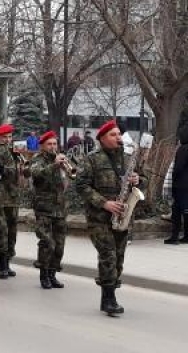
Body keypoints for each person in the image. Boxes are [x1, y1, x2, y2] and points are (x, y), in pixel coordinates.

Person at [76, 119, 146, 317]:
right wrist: (104, 203)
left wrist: (138, 180)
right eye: (113, 135)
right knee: (108, 255)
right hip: (99, 217)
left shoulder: (128, 159)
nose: (118, 138)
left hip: (122, 216)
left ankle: (109, 294)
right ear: (102, 139)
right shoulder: (91, 159)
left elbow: (145, 180)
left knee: (119, 258)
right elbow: (81, 186)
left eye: (118, 134)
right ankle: (109, 299)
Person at [30, 131, 68, 289]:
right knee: (47, 243)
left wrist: (67, 169)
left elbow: (73, 176)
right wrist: (55, 165)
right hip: (44, 208)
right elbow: (37, 174)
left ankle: (53, 274)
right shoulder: (38, 160)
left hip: (60, 208)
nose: (53, 147)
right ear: (42, 146)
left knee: (59, 245)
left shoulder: (61, 159)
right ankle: (43, 274)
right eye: (49, 144)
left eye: (54, 144)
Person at [0, 124, 19, 279]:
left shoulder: (14, 152)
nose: (8, 140)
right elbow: (4, 171)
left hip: (13, 197)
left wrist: (23, 165)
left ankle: (8, 262)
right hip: (0, 196)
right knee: (2, 231)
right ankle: (1, 265)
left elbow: (24, 175)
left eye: (10, 137)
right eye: (5, 137)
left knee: (12, 232)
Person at [165, 127, 188, 244]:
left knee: (177, 211)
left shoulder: (182, 149)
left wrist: (173, 178)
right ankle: (186, 236)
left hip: (181, 186)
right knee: (186, 211)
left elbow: (178, 168)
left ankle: (174, 237)